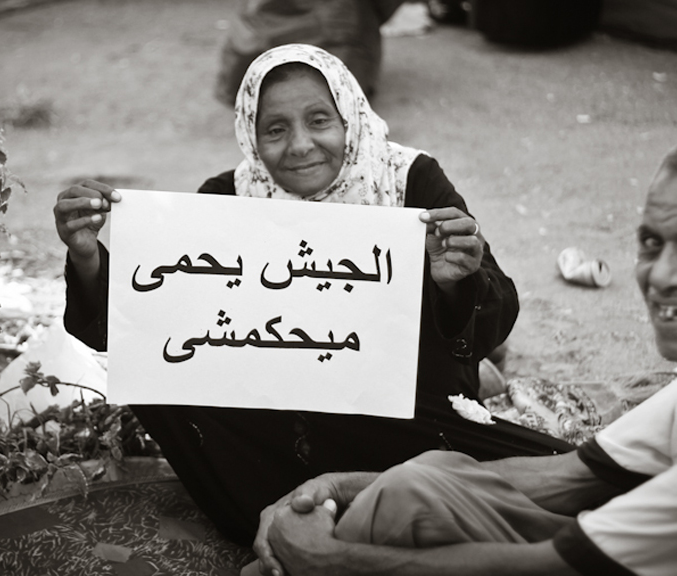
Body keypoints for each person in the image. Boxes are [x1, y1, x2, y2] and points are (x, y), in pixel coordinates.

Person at [53, 43, 572, 546]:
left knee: (556, 476)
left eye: (319, 120)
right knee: (154, 368)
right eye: (275, 129)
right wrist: (87, 256)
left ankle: (318, 509)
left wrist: (455, 278)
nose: (300, 145)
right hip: (279, 429)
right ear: (251, 137)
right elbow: (140, 326)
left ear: (350, 117)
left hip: (409, 422)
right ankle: (292, 507)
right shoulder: (229, 197)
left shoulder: (409, 182)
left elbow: (494, 315)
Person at [251, 131, 677, 576]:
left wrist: (331, 562)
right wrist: (341, 484)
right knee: (420, 483)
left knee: (395, 518)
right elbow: (573, 476)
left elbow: (551, 567)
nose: (662, 276)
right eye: (652, 243)